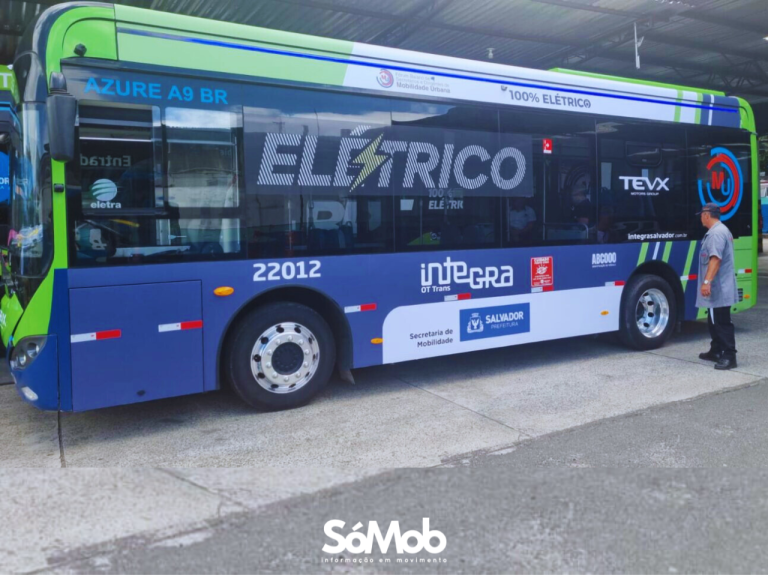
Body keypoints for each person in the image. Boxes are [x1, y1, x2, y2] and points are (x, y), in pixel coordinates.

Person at [696, 203, 738, 370]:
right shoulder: (719, 231)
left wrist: (707, 282)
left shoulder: (716, 234)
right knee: (714, 320)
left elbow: (715, 259)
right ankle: (716, 350)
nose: (700, 218)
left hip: (718, 288)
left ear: (707, 215)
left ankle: (729, 356)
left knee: (721, 321)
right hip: (719, 287)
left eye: (701, 215)